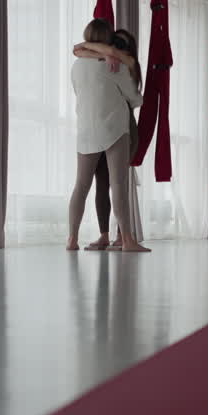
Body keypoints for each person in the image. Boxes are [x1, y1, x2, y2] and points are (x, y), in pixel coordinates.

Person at [68, 19, 150, 253]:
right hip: (114, 130)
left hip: (85, 131)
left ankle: (72, 239)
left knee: (81, 186)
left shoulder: (76, 66)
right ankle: (127, 241)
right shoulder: (115, 65)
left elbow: (78, 92)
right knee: (118, 185)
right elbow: (135, 99)